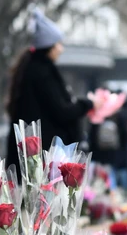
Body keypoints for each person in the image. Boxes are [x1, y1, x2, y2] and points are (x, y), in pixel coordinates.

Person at [6, 9, 94, 172]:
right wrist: (88, 104)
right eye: (58, 44)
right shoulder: (43, 72)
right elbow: (61, 110)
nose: (61, 49)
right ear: (49, 46)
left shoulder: (30, 68)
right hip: (42, 154)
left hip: (32, 151)